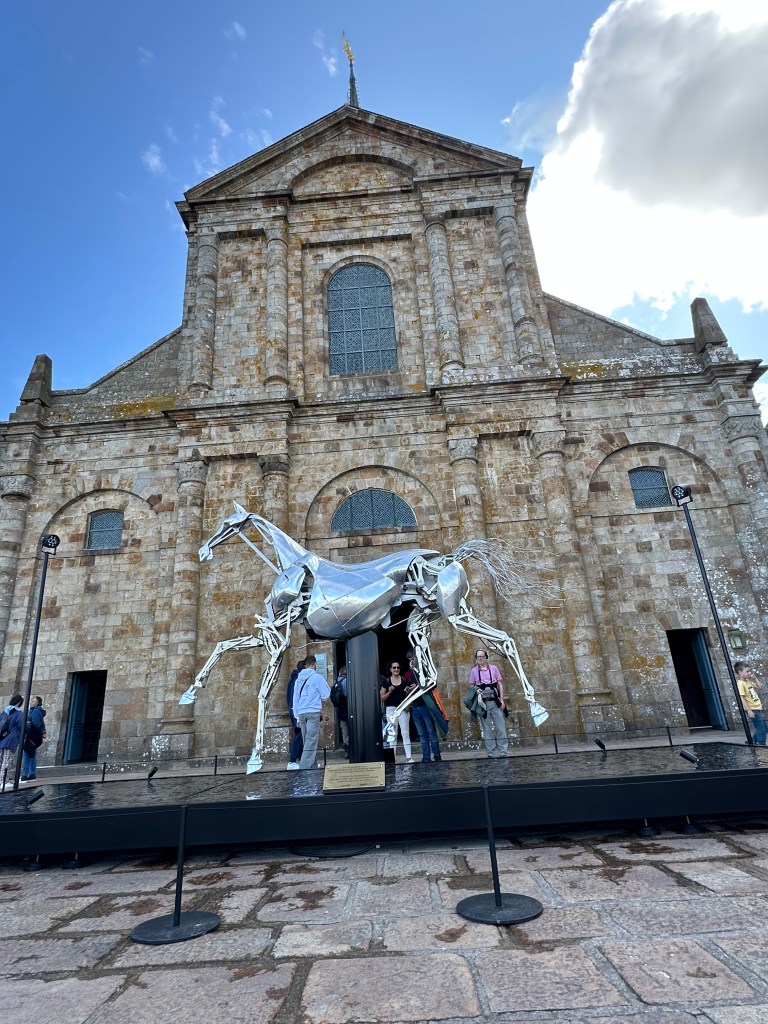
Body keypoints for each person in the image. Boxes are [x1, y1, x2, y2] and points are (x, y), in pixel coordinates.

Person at [292, 654, 331, 769]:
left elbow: (295, 698)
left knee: (307, 740)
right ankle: (304, 768)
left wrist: (296, 715)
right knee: (311, 740)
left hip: (301, 712)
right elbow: (326, 695)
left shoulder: (299, 679)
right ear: (314, 665)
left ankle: (312, 766)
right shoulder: (317, 677)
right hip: (312, 711)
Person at [469, 648, 509, 757]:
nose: (480, 658)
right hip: (483, 703)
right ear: (476, 658)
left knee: (500, 727)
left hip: (495, 701)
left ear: (486, 657)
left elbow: (499, 684)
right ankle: (490, 752)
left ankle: (503, 751)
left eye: (482, 656)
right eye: (478, 657)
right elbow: (471, 686)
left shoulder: (494, 668)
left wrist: (502, 700)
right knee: (487, 729)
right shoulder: (474, 671)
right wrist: (476, 690)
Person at [405, 656, 441, 762]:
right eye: (410, 660)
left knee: (431, 732)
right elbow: (414, 689)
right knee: (422, 734)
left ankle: (437, 756)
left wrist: (417, 686)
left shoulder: (425, 670)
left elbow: (433, 684)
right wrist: (409, 689)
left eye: (413, 659)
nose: (411, 661)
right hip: (415, 706)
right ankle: (426, 757)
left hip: (425, 706)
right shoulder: (412, 673)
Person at [380, 659, 413, 762]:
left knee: (405, 732)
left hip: (403, 708)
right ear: (390, 669)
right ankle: (392, 759)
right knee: (392, 734)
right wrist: (389, 691)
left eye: (398, 667)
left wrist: (408, 691)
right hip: (391, 709)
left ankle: (409, 757)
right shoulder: (386, 682)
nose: (396, 669)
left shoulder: (404, 680)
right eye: (394, 667)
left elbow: (408, 696)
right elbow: (382, 698)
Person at [735, 661, 767, 746]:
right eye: (747, 671)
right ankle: (762, 746)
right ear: (740, 672)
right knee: (761, 729)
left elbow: (759, 687)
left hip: (757, 708)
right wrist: (749, 710)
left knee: (764, 728)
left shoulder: (748, 681)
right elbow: (741, 698)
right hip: (752, 709)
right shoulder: (740, 683)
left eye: (750, 671)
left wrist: (755, 678)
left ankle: (752, 741)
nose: (750, 673)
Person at [21, 694, 47, 782]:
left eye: (33, 701)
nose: (31, 702)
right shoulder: (33, 711)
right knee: (31, 753)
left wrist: (40, 732)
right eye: (31, 701)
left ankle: (25, 774)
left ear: (37, 703)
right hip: (35, 735)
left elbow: (36, 723)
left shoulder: (36, 711)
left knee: (27, 753)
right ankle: (32, 773)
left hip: (32, 735)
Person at [286, 659, 306, 769]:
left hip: (293, 709)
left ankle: (301, 759)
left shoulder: (292, 679)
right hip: (297, 710)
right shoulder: (299, 680)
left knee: (300, 735)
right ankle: (292, 761)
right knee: (299, 735)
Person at [0, 694, 24, 786]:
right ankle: (3, 781)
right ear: (19, 703)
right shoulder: (18, 713)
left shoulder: (4, 712)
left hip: (1, 739)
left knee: (1, 760)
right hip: (11, 740)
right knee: (7, 761)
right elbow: (21, 726)